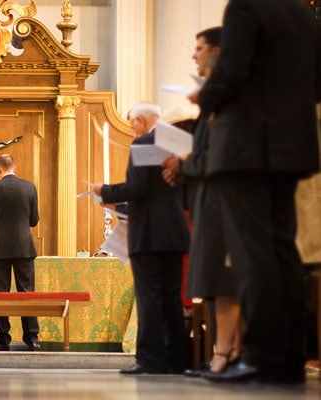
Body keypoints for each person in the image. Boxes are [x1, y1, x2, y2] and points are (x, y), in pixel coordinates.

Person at [189, 0, 320, 384]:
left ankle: (261, 356)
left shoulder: (247, 6)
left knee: (251, 253)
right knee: (282, 251)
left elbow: (231, 73)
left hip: (245, 149)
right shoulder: (301, 12)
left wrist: (206, 97)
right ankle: (288, 357)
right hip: (292, 146)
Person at [162, 27, 242, 377]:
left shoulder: (228, 98)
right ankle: (228, 352)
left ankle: (228, 354)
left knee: (223, 282)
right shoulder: (217, 102)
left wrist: (184, 163)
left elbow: (217, 155)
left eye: (199, 48)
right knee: (217, 284)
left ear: (217, 51)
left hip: (221, 201)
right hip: (208, 199)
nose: (194, 55)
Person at [92, 103, 190, 374]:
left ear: (143, 120)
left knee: (149, 297)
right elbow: (161, 194)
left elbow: (137, 188)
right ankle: (177, 359)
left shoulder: (143, 143)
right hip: (175, 231)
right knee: (171, 297)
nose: (131, 128)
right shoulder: (180, 146)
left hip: (148, 233)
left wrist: (105, 191)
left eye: (132, 122)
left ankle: (149, 358)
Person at [0, 155, 40, 351]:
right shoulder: (30, 187)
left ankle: (3, 338)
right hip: (24, 247)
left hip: (0, 248)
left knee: (1, 294)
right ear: (15, 166)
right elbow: (33, 220)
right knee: (27, 292)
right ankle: (32, 337)